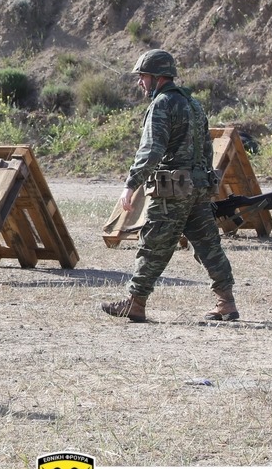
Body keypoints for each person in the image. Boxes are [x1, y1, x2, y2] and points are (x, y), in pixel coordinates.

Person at [102, 49, 238, 323]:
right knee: (208, 245)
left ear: (157, 77)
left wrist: (131, 184)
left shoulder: (162, 104)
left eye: (142, 77)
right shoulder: (194, 104)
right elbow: (206, 149)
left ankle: (136, 303)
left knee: (154, 245)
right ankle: (226, 302)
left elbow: (152, 150)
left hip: (174, 191)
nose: (140, 83)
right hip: (199, 188)